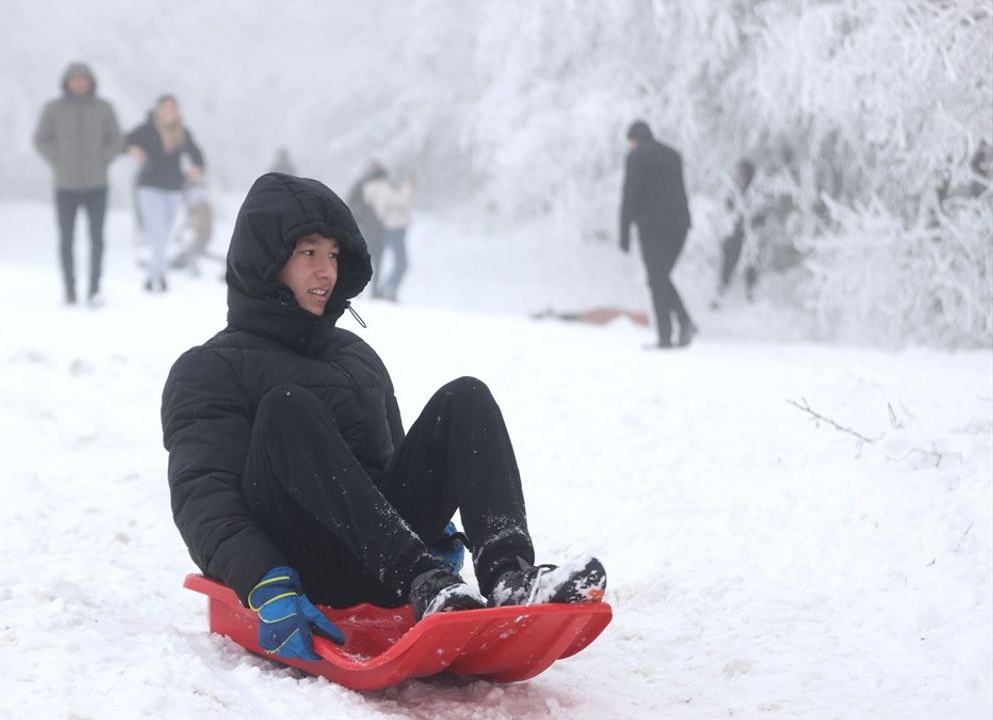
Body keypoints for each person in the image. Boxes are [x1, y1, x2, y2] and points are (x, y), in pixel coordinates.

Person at [161, 172, 606, 662]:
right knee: (287, 407)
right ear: (267, 262)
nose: (326, 271)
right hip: (303, 571)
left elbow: (387, 466)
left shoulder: (356, 357)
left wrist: (433, 534)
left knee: (466, 398)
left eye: (333, 254)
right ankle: (423, 580)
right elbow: (203, 497)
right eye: (308, 253)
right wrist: (263, 581)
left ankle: (507, 578)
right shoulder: (209, 369)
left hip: (384, 565)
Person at [34, 62, 122, 306]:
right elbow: (41, 139)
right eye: (75, 79)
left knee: (97, 238)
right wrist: (57, 159)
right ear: (67, 82)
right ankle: (70, 288)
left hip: (97, 185)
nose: (79, 83)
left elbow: (116, 139)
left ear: (91, 81)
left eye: (83, 78)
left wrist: (103, 158)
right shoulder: (53, 109)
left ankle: (94, 288)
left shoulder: (104, 108)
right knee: (66, 239)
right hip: (65, 185)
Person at [619, 120, 695, 348]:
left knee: (657, 278)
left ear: (635, 139)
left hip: (652, 227)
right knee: (660, 277)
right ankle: (682, 323)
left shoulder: (637, 157)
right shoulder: (672, 155)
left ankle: (667, 335)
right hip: (679, 226)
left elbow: (630, 195)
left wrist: (624, 233)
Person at [125, 95, 205, 293]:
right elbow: (123, 142)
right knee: (158, 232)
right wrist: (131, 149)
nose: (170, 111)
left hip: (174, 188)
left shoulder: (182, 133)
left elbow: (197, 156)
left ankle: (153, 274)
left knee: (165, 233)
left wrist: (197, 169)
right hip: (149, 187)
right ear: (158, 110)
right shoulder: (146, 131)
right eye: (166, 108)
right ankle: (157, 277)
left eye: (173, 108)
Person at [712, 159, 762, 308]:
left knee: (750, 266)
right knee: (727, 266)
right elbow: (727, 211)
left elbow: (761, 215)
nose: (738, 175)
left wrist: (753, 220)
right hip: (733, 236)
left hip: (749, 236)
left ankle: (751, 296)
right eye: (737, 172)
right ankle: (719, 296)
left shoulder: (755, 193)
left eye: (740, 172)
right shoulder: (733, 191)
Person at [362, 166, 415, 302]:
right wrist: (408, 186)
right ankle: (388, 290)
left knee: (397, 261)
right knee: (401, 262)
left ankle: (386, 290)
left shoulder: (375, 188)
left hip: (392, 227)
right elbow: (399, 201)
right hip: (394, 227)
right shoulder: (381, 187)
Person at [345, 161, 387, 289]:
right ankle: (370, 288)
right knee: (372, 258)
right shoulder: (380, 185)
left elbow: (352, 202)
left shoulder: (364, 184)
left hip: (372, 227)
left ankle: (366, 288)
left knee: (368, 258)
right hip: (372, 227)